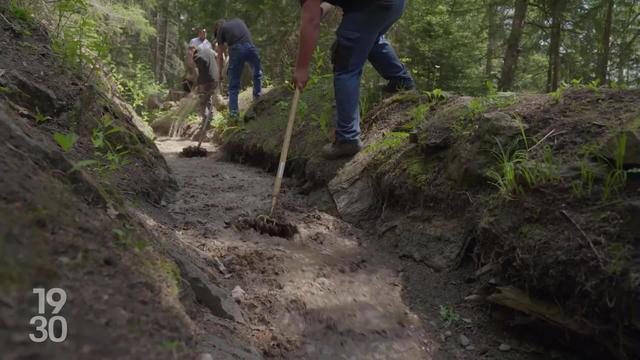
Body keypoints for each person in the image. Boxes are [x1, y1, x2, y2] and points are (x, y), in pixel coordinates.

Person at [294, 0, 415, 160]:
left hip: (371, 7)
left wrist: (302, 68)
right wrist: (320, 9)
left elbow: (311, 21)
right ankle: (401, 83)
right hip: (395, 4)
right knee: (369, 37)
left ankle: (347, 138)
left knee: (346, 65)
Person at [214, 18, 263, 121]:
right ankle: (257, 98)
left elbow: (220, 55)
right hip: (250, 47)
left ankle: (234, 115)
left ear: (218, 28)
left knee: (233, 85)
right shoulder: (238, 21)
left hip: (237, 50)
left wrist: (219, 73)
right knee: (257, 73)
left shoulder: (221, 29)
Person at [187, 45, 218, 136]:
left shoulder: (197, 57)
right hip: (215, 79)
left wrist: (196, 85)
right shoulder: (209, 50)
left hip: (206, 81)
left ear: (193, 50)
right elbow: (217, 56)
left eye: (189, 52)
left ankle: (206, 123)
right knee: (209, 99)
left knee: (203, 101)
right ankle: (210, 120)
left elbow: (197, 73)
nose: (189, 55)